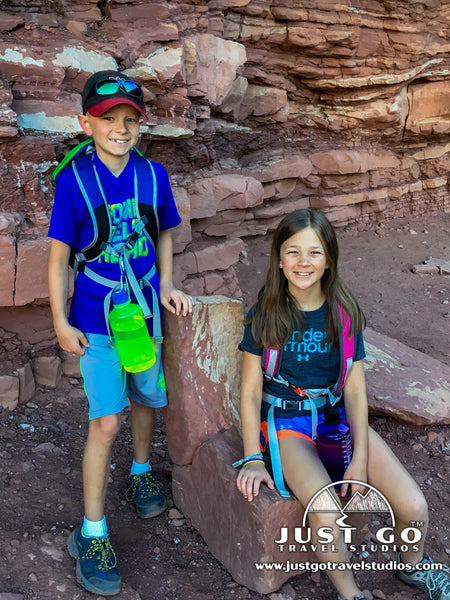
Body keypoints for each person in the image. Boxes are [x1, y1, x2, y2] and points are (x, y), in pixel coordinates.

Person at [236, 209, 450, 600]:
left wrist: (359, 459)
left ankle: (413, 566)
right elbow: (249, 392)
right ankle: (351, 594)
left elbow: (354, 389)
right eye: (293, 252)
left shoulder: (344, 313)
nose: (304, 262)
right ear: (279, 259)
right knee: (327, 510)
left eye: (314, 252)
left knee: (414, 505)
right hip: (289, 425)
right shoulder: (264, 314)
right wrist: (252, 456)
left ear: (329, 258)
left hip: (336, 420)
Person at [48, 70, 193, 596]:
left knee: (146, 396)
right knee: (104, 422)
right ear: (86, 123)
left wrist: (167, 286)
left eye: (130, 119)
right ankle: (92, 532)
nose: (121, 128)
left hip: (143, 318)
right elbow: (61, 256)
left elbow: (165, 233)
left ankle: (139, 473)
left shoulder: (153, 177)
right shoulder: (76, 180)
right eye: (109, 119)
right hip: (95, 318)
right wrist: (61, 320)